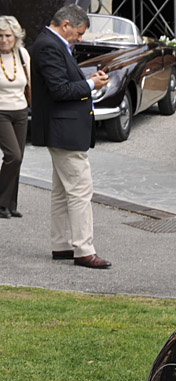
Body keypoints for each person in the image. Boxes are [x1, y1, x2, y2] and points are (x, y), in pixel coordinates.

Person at [30, 4, 112, 269]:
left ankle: (63, 245)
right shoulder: (48, 45)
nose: (80, 38)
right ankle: (84, 250)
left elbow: (62, 82)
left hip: (62, 129)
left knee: (62, 191)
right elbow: (59, 90)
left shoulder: (51, 43)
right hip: (64, 129)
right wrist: (91, 84)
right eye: (78, 33)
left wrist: (89, 80)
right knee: (79, 191)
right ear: (65, 24)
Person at [0, 15, 29, 219]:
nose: (3, 40)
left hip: (21, 110)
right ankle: (1, 202)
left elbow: (29, 83)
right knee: (13, 155)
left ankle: (11, 204)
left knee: (19, 159)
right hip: (1, 112)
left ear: (16, 36)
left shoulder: (22, 54)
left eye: (7, 35)